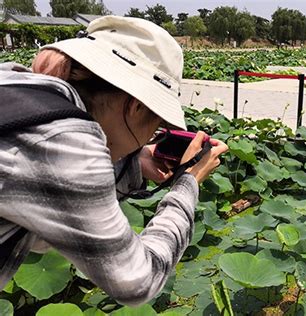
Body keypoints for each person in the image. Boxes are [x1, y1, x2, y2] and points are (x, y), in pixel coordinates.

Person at [0, 16, 228, 306]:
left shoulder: (14, 82)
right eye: (156, 126)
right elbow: (138, 280)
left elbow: (45, 206)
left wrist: (132, 162)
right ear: (136, 105)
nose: (150, 138)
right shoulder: (67, 143)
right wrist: (188, 182)